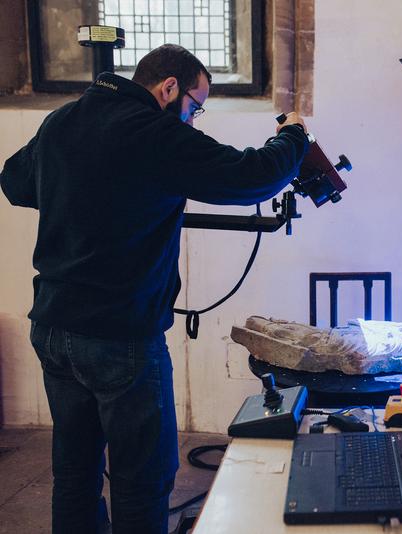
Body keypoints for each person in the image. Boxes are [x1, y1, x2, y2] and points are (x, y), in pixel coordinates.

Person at [0, 44, 308, 534]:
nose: (193, 120)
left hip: (54, 328)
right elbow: (253, 175)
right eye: (195, 106)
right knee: (142, 481)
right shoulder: (153, 133)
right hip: (119, 338)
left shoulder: (62, 120)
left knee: (74, 474)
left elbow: (15, 182)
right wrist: (293, 136)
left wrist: (81, 190)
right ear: (169, 89)